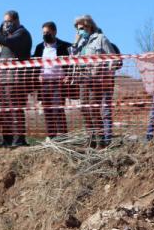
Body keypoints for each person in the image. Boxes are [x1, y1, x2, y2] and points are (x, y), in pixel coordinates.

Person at [71, 14, 117, 148]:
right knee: (84, 108)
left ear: (89, 26)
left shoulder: (101, 39)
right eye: (77, 29)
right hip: (82, 79)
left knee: (93, 108)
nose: (79, 31)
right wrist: (75, 43)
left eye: (81, 28)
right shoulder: (80, 42)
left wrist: (106, 74)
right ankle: (90, 139)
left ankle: (100, 140)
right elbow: (73, 58)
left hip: (96, 80)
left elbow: (114, 58)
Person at [0, 10, 33, 147]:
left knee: (15, 109)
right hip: (4, 79)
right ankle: (7, 140)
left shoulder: (21, 34)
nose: (6, 24)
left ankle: (18, 140)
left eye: (8, 22)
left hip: (15, 79)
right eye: (4, 22)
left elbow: (8, 41)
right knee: (5, 110)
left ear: (16, 20)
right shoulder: (6, 38)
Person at [32, 21, 72, 138]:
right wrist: (37, 75)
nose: (45, 35)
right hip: (44, 83)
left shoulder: (64, 46)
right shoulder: (39, 47)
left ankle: (63, 136)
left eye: (48, 32)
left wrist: (68, 75)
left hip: (58, 82)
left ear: (54, 32)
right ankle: (51, 136)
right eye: (43, 33)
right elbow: (35, 63)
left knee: (58, 109)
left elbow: (72, 63)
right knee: (47, 110)